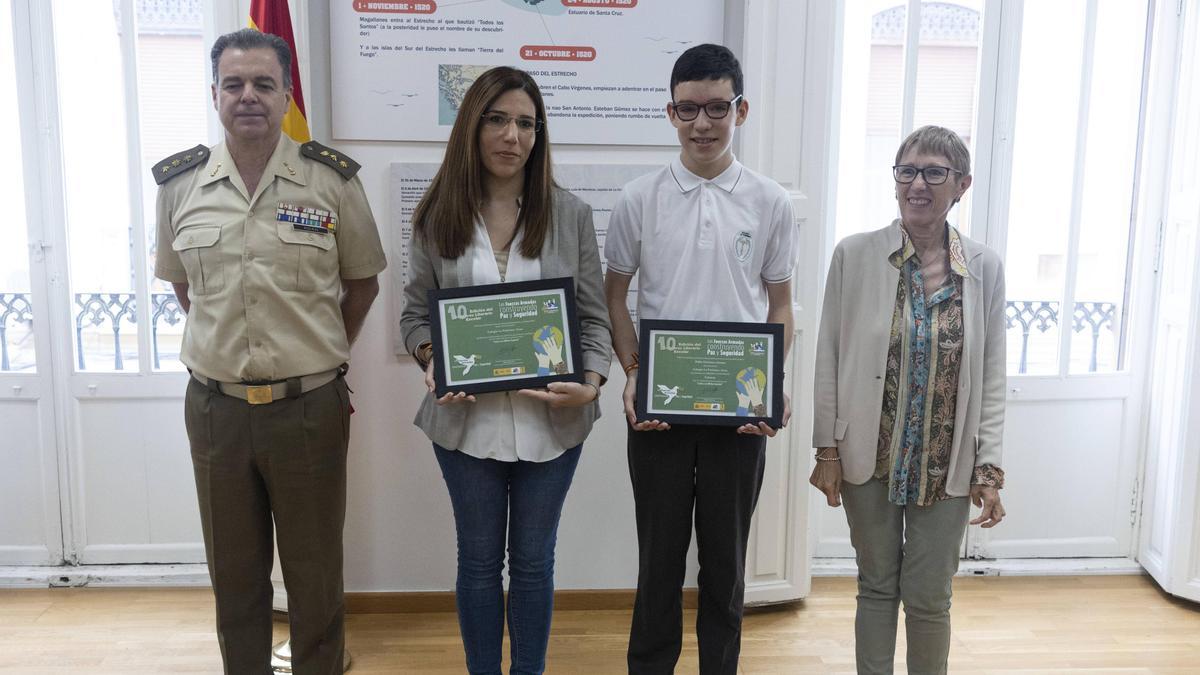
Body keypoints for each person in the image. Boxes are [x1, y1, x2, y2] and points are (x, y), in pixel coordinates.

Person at [153, 28, 385, 675]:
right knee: (234, 570)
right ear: (214, 94)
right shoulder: (180, 184)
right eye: (234, 84)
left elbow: (362, 284)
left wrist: (313, 351)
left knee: (314, 571)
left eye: (262, 83)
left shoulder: (330, 182)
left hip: (308, 406)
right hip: (216, 410)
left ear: (286, 94)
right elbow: (182, 285)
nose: (248, 96)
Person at [398, 66, 612, 675]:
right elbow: (414, 316)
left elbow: (594, 320)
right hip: (465, 428)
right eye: (497, 119)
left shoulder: (570, 215)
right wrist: (434, 360)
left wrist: (591, 382)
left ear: (538, 135)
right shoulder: (436, 213)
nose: (511, 135)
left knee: (535, 565)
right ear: (472, 125)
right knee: (477, 563)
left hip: (554, 426)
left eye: (525, 123)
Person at [604, 44, 799, 675]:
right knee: (658, 563)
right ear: (670, 112)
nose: (703, 123)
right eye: (688, 109)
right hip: (660, 409)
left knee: (727, 564)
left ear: (741, 110)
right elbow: (616, 298)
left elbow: (781, 307)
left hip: (739, 413)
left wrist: (773, 383)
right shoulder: (638, 197)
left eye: (717, 107)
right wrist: (634, 377)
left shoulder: (771, 202)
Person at [809, 125, 1007, 674]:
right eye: (908, 171)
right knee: (875, 586)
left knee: (929, 597)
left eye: (934, 173)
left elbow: (991, 376)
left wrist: (988, 467)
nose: (918, 184)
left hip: (946, 462)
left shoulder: (983, 267)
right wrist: (825, 450)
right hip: (867, 457)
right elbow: (827, 355)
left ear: (961, 185)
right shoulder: (855, 255)